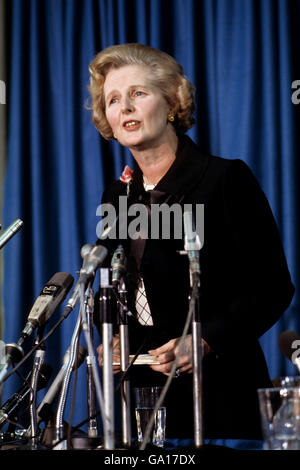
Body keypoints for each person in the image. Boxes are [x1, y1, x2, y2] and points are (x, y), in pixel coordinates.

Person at [88, 43, 294, 442]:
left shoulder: (224, 180)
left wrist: (203, 340)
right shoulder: (117, 197)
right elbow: (119, 286)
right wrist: (113, 338)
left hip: (218, 396)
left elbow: (273, 287)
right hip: (137, 397)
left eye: (138, 94)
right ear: (107, 120)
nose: (125, 107)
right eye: (113, 99)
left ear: (171, 103)